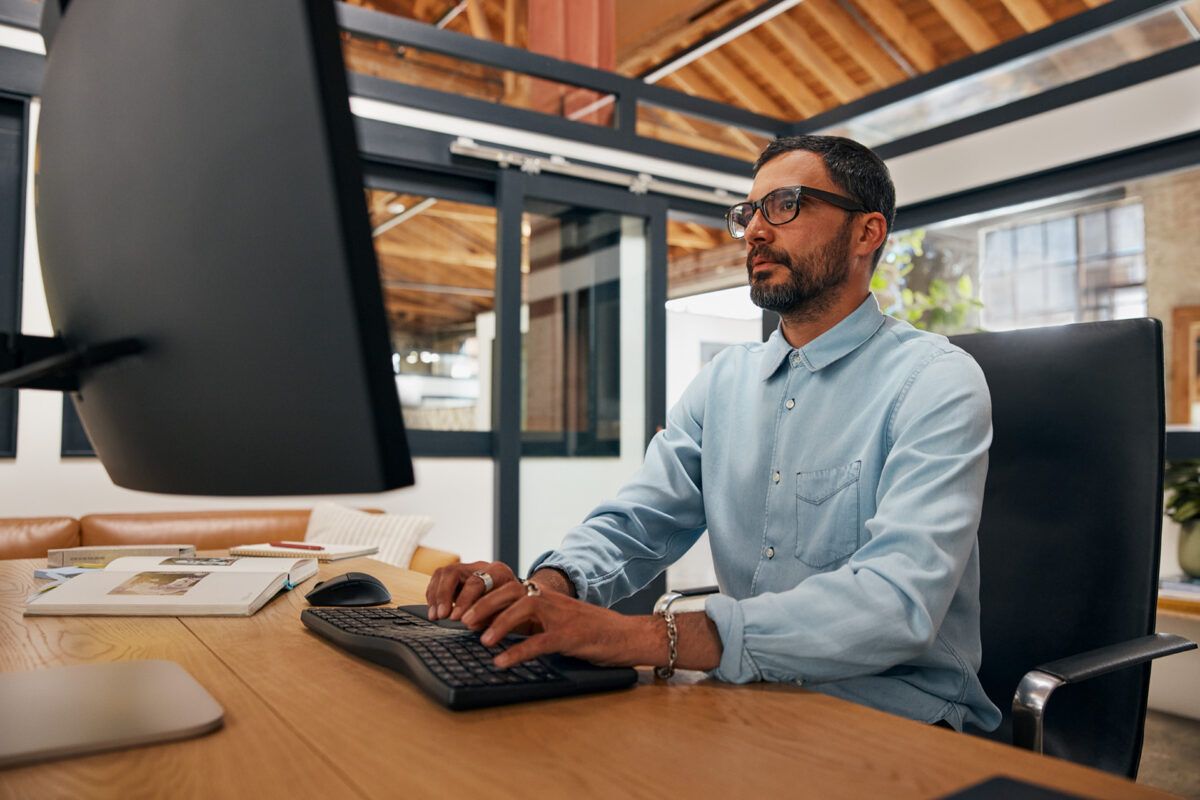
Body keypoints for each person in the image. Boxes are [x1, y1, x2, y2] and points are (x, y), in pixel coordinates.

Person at [425, 135, 1002, 732]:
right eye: (749, 213)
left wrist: (647, 636)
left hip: (900, 718)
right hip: (753, 698)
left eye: (785, 205)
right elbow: (639, 521)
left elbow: (896, 603)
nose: (755, 230)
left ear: (867, 232)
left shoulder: (936, 381)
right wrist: (545, 591)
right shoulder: (723, 382)